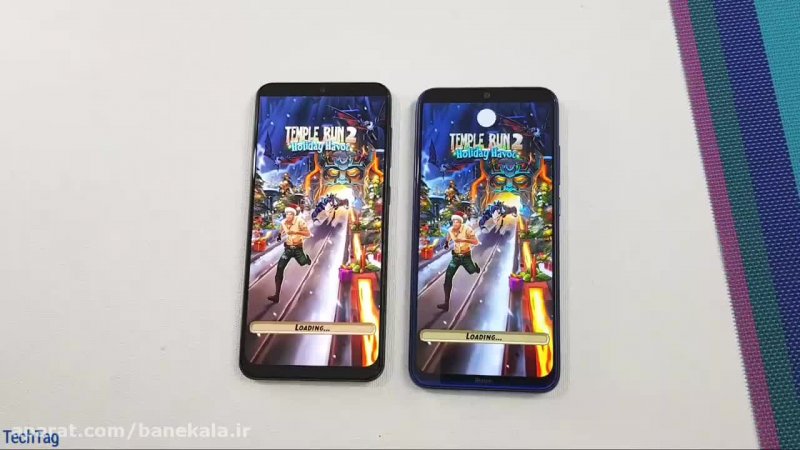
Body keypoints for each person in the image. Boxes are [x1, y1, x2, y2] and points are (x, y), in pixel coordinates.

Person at [267, 207, 311, 303]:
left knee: (302, 262)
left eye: (290, 214)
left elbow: (308, 233)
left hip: (297, 248)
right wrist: (279, 235)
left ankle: (306, 260)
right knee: (280, 268)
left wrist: (296, 232)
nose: (288, 215)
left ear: (294, 215)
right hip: (288, 249)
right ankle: (276, 295)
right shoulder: (284, 222)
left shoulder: (300, 221)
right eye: (287, 214)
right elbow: (282, 229)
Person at [440, 214, 480, 311]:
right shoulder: (451, 230)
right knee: (448, 277)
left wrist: (463, 239)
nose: (455, 223)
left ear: (461, 223)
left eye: (457, 222)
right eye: (454, 221)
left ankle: (476, 269)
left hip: (466, 256)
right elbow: (449, 236)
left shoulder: (467, 229)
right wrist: (447, 243)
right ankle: (446, 303)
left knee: (471, 271)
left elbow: (476, 242)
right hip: (456, 257)